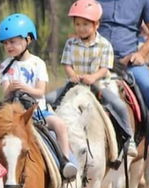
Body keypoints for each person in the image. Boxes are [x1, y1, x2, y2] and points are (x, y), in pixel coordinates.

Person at [0, 13, 77, 179]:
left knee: (60, 126)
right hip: (11, 112)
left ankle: (65, 162)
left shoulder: (38, 63)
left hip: (36, 111)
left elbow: (40, 92)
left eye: (13, 41)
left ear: (28, 39)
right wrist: (11, 89)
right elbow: (5, 93)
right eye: (5, 43)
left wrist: (25, 87)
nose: (9, 46)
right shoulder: (5, 66)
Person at [97, 0, 149, 161]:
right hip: (95, 61)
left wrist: (142, 54)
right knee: (70, 90)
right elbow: (78, 25)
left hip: (128, 61)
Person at [60, 0, 138, 157]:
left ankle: (129, 138)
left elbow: (105, 68)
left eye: (85, 24)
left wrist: (93, 77)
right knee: (50, 100)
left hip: (99, 83)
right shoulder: (70, 43)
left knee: (119, 105)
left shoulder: (104, 44)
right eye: (78, 24)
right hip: (76, 84)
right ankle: (53, 137)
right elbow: (67, 64)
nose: (81, 28)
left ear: (96, 25)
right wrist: (72, 75)